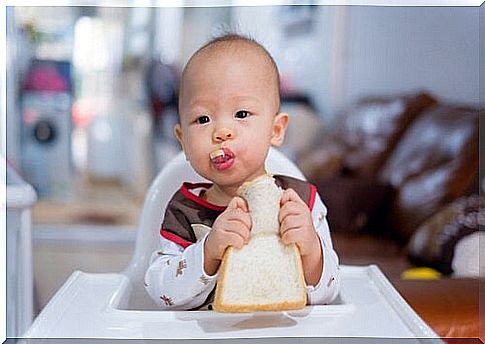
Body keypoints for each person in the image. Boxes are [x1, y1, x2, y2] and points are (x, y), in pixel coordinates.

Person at [145, 34, 340, 310]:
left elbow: (330, 293)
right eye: (203, 119)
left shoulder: (301, 201)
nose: (222, 132)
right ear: (183, 141)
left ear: (276, 130)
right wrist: (209, 251)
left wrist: (311, 249)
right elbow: (160, 291)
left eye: (242, 114)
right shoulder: (184, 211)